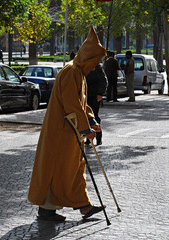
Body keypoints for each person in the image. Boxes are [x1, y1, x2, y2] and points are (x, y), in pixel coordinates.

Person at [28, 26, 106, 222]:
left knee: (74, 167)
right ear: (88, 58)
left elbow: (82, 104)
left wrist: (91, 120)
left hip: (69, 130)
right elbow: (72, 104)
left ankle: (84, 206)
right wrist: (85, 128)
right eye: (96, 61)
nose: (96, 65)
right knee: (58, 169)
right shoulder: (72, 72)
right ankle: (47, 210)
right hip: (61, 131)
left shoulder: (78, 72)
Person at [85, 64, 107, 146]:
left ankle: (98, 138)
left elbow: (103, 81)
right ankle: (88, 138)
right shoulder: (84, 67)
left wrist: (100, 93)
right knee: (86, 117)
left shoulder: (97, 67)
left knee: (94, 117)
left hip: (94, 96)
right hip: (86, 96)